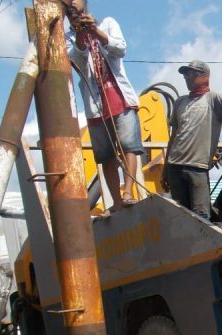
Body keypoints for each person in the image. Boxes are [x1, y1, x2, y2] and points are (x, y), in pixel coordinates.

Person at [66, 0, 143, 213]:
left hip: (119, 95)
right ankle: (116, 202)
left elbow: (120, 49)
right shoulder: (67, 39)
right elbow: (76, 62)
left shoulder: (108, 23)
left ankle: (128, 192)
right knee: (106, 154)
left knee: (129, 145)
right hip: (94, 103)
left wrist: (95, 31)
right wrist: (81, 37)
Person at [164, 61, 222, 220]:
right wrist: (165, 168)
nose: (186, 77)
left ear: (203, 76)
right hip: (175, 166)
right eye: (185, 74)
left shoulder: (213, 98)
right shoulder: (180, 102)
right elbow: (173, 137)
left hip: (197, 167)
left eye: (189, 74)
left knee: (201, 215)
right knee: (180, 216)